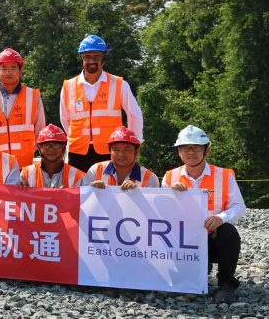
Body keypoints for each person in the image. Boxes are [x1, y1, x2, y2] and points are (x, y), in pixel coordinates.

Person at [163, 125, 245, 303]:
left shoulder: (224, 175)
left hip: (214, 239)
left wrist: (220, 218)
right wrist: (171, 196)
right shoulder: (170, 177)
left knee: (229, 232)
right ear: (179, 151)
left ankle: (226, 285)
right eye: (185, 148)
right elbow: (162, 213)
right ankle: (190, 279)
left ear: (207, 150)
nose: (190, 152)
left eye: (196, 148)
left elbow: (239, 206)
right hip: (185, 242)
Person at [61, 35, 143, 172]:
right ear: (82, 58)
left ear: (103, 59)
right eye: (87, 56)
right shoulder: (68, 86)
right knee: (79, 191)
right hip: (78, 152)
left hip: (110, 151)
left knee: (109, 191)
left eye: (96, 57)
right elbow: (65, 119)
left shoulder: (119, 84)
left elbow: (134, 115)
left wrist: (133, 145)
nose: (91, 61)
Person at [0, 49, 46, 168]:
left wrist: (30, 150)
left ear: (20, 71)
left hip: (25, 163)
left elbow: (40, 129)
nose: (8, 72)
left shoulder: (32, 96)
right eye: (4, 68)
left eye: (13, 68)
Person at [84, 127, 158, 189]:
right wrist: (93, 190)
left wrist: (138, 194)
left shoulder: (149, 178)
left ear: (136, 151)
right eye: (116, 150)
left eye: (126, 149)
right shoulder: (96, 170)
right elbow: (84, 201)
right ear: (110, 151)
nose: (121, 154)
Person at [18, 125, 85, 188]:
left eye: (55, 145)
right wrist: (20, 190)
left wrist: (70, 196)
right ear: (39, 148)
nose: (51, 148)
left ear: (64, 148)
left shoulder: (78, 176)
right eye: (46, 145)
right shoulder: (26, 174)